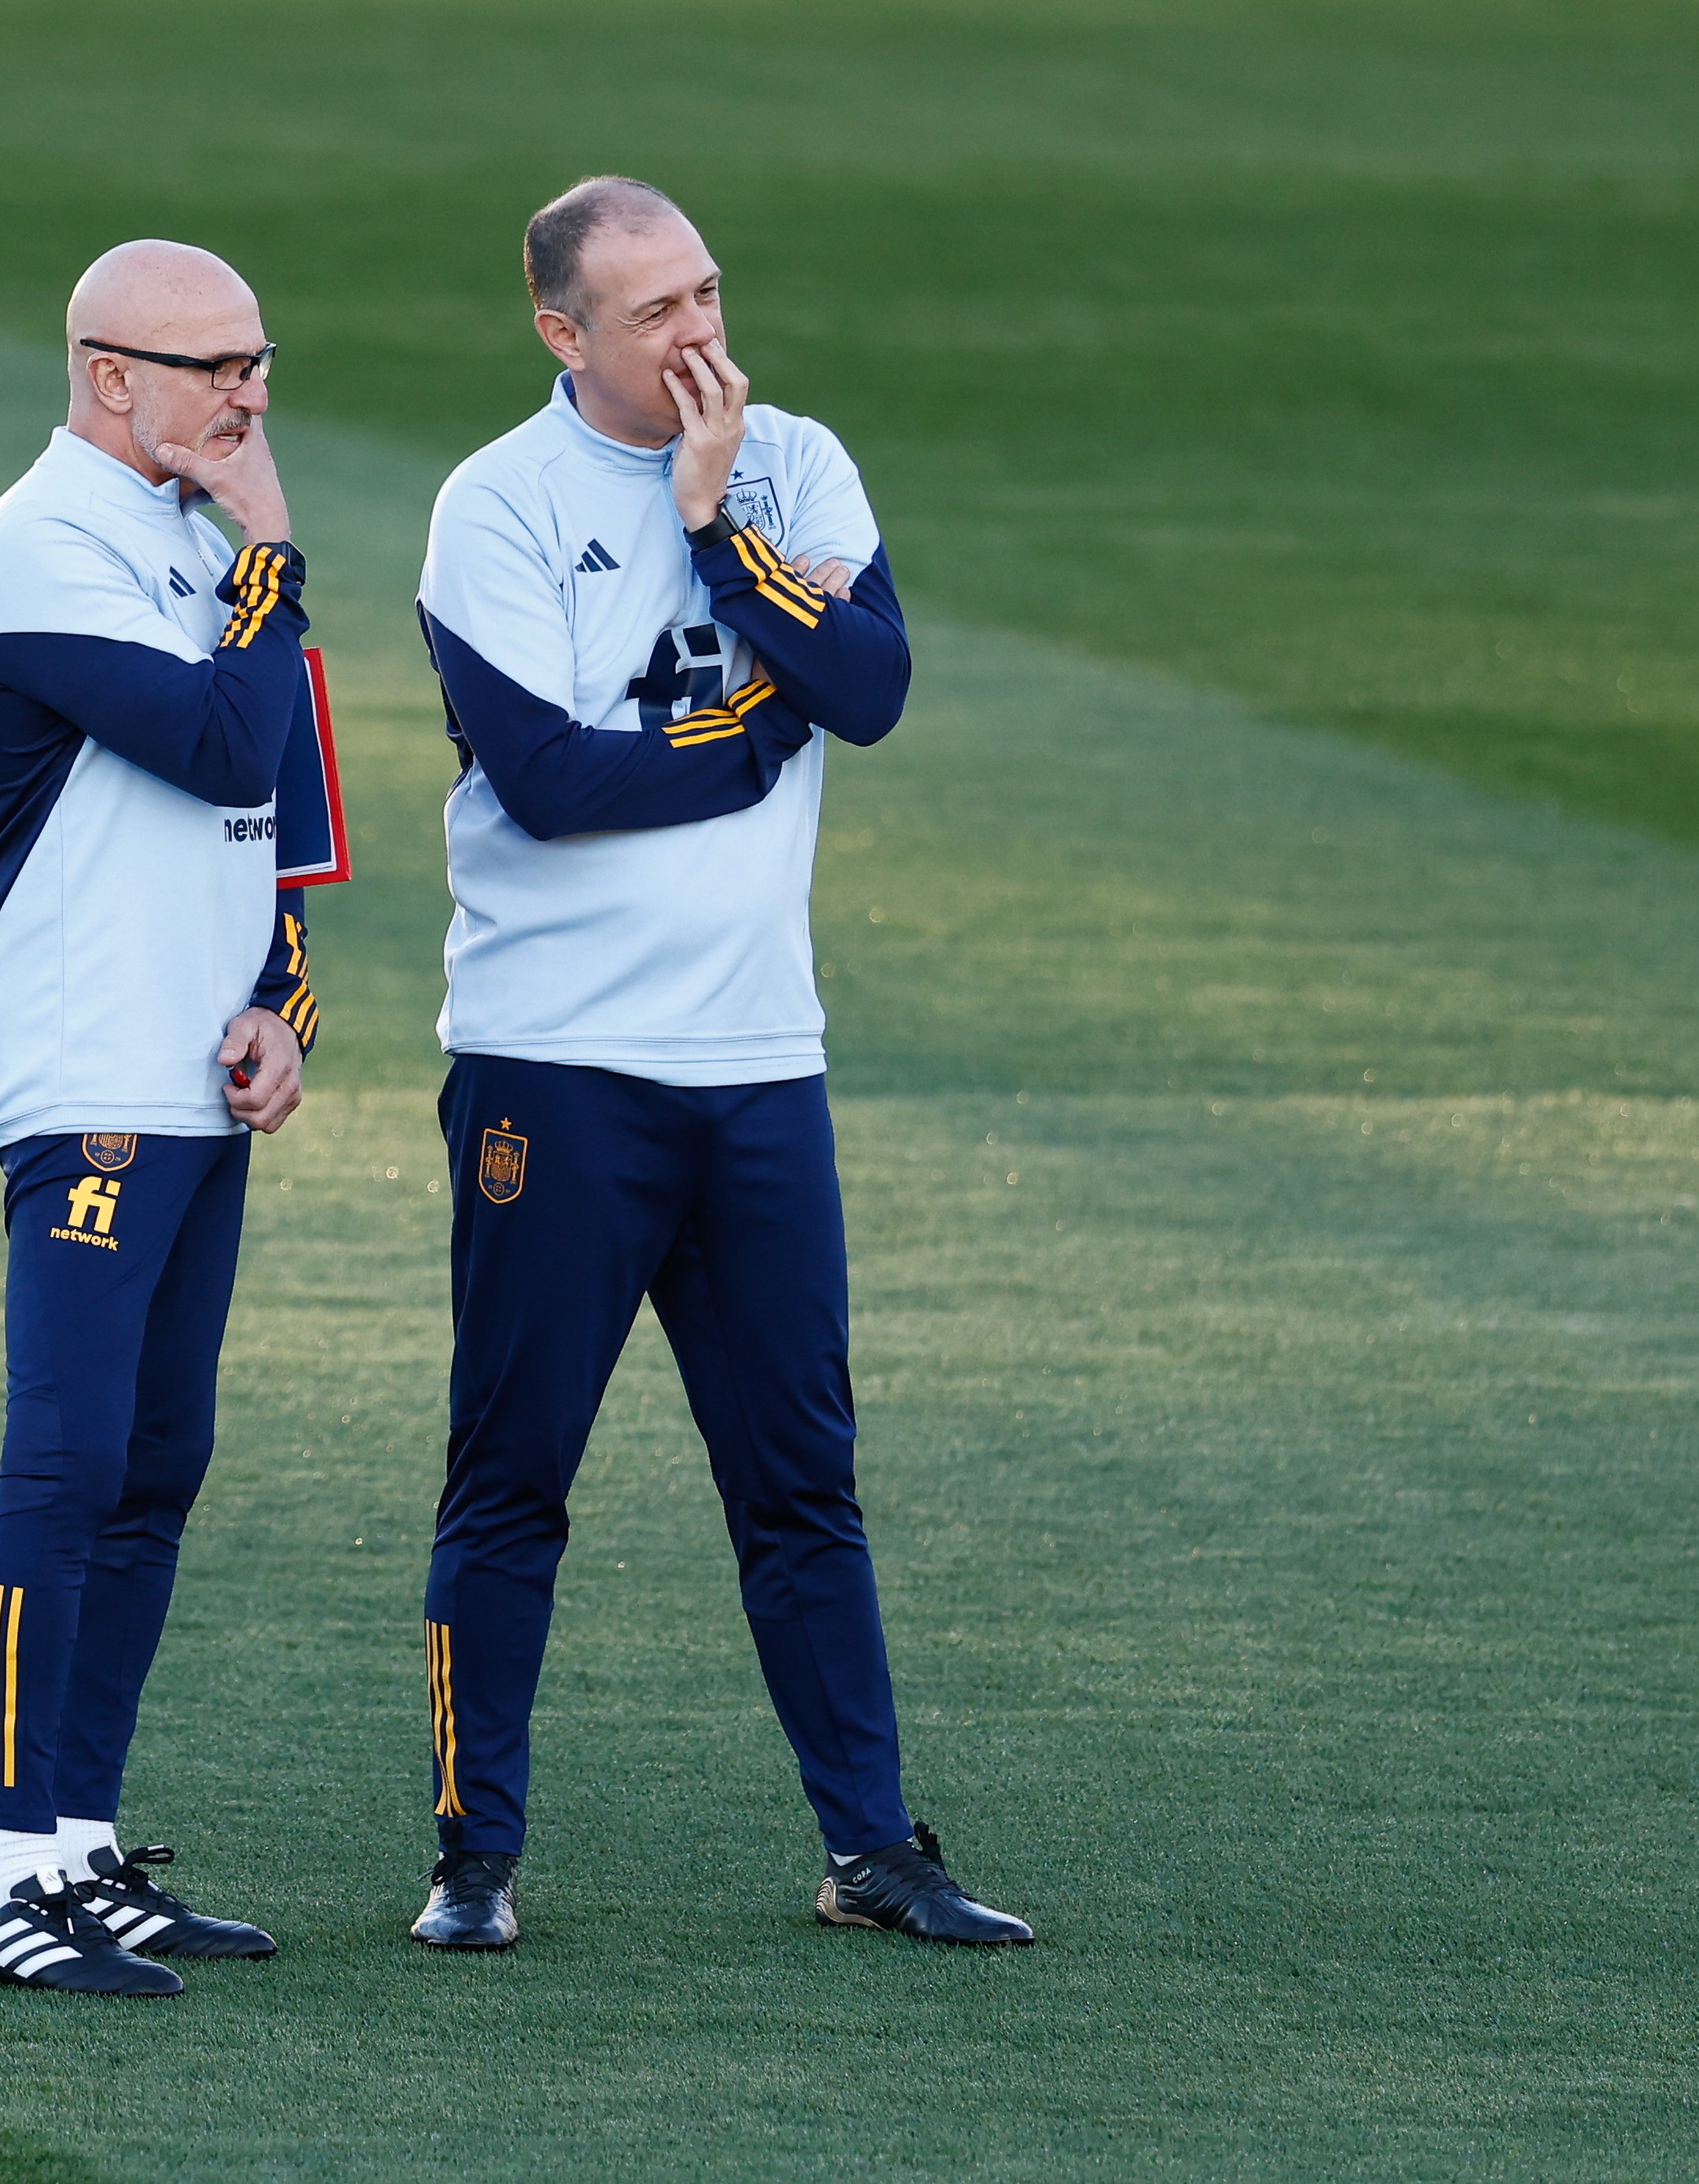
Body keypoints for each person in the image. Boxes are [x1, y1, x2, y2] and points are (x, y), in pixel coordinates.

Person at [405, 177, 1033, 1951]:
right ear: (562, 333)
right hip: (555, 1064)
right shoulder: (495, 505)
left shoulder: (792, 464)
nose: (700, 334)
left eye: (706, 292)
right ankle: (473, 1858)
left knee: (801, 1479)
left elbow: (878, 683)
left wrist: (713, 535)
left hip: (760, 1063)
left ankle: (873, 1849)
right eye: (656, 310)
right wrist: (754, 732)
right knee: (514, 1471)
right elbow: (550, 780)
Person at [0, 240, 322, 1998]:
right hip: (86, 1069)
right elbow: (220, 744)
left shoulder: (188, 537)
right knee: (68, 1461)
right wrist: (279, 554)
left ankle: (86, 1847)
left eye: (257, 363)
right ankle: (5, 1870)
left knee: (157, 1467)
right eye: (215, 365)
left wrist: (284, 999)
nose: (250, 396)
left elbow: (280, 815)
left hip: (197, 1073)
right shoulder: (43, 545)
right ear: (110, 375)